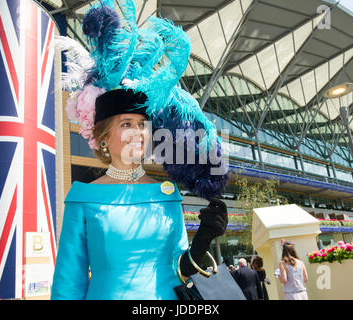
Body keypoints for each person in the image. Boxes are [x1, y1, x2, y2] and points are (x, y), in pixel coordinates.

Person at [51, 0, 229, 300]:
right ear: (103, 137)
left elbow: (179, 270)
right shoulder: (82, 198)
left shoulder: (167, 193)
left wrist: (205, 238)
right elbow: (68, 286)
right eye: (126, 124)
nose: (138, 133)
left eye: (142, 124)